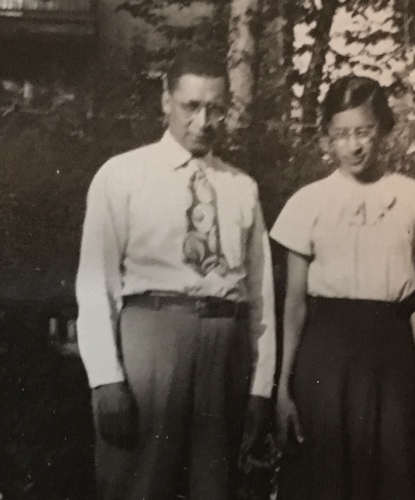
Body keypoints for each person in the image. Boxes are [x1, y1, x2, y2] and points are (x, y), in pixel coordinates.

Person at [75, 49, 276, 500]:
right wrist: (105, 378)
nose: (204, 121)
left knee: (216, 488)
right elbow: (95, 284)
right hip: (152, 344)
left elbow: (260, 295)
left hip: (225, 349)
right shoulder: (124, 175)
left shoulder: (242, 187)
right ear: (166, 101)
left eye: (216, 108)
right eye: (191, 105)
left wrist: (261, 387)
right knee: (137, 485)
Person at [271, 75, 415, 500]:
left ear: (384, 130)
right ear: (327, 138)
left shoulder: (413, 199)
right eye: (342, 134)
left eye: (364, 131)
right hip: (324, 364)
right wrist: (282, 388)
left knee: (389, 482)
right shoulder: (307, 203)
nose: (354, 146)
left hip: (388, 366)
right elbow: (294, 305)